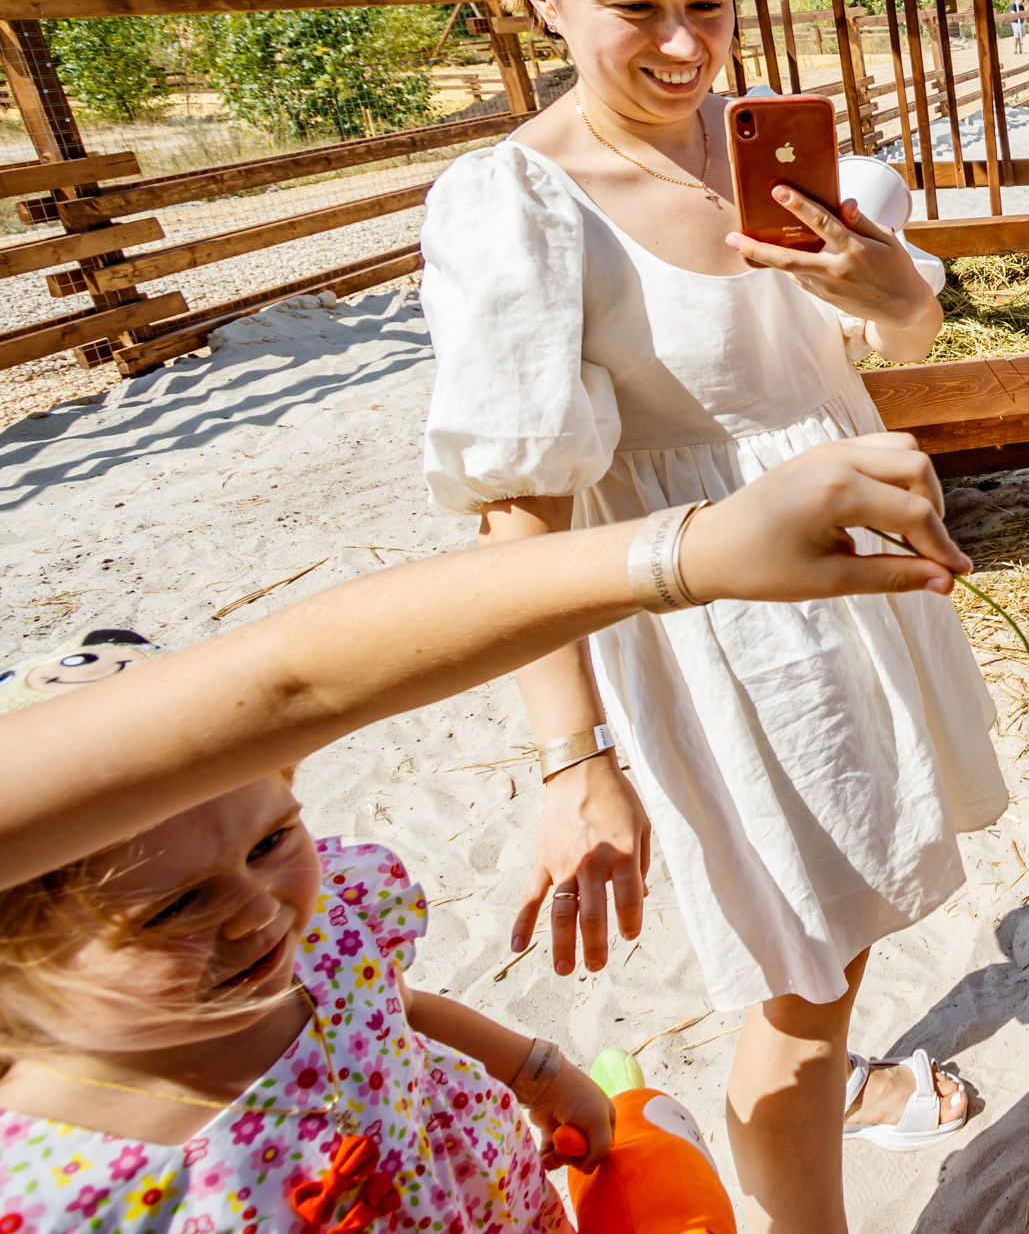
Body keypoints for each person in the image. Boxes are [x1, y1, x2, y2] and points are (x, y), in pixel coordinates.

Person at [418, 0, 1003, 1232]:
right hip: (728, 636)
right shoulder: (522, 203)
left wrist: (876, 274)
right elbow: (520, 503)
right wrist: (577, 757)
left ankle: (840, 1074)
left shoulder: (766, 165)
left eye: (707, 3)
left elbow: (905, 330)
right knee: (797, 987)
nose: (683, 46)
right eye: (636, 6)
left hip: (851, 597)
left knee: (835, 943)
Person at [0, 439, 972, 1229]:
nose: (259, 912)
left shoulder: (326, 932)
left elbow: (384, 1004)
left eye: (268, 843)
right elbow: (295, 678)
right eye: (175, 903)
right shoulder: (54, 1194)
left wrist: (536, 1072)